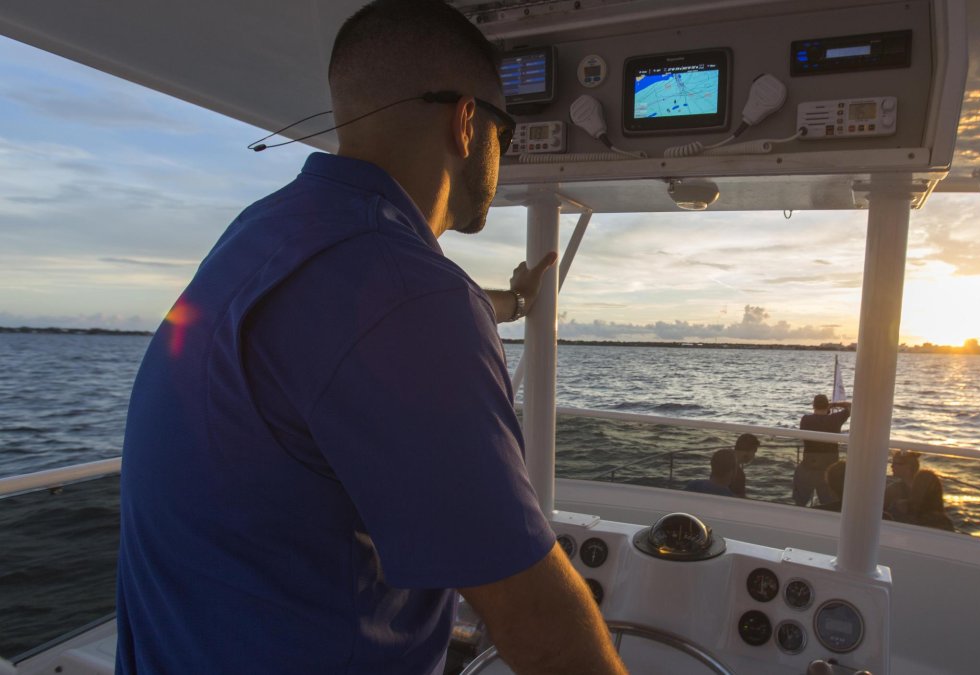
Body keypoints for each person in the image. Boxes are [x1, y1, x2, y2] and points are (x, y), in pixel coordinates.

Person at [115, 2, 626, 674]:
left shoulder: (266, 233)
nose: (507, 151)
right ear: (467, 122)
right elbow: (537, 623)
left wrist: (512, 300)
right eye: (507, 129)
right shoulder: (409, 294)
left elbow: (362, 322)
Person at [793, 394, 852, 506]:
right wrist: (835, 404)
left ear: (813, 405)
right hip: (829, 471)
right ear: (827, 405)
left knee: (799, 503)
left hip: (808, 467)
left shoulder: (805, 420)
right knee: (831, 503)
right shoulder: (835, 419)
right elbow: (852, 406)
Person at [884, 450, 921, 518]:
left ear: (908, 467)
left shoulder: (892, 490)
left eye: (895, 463)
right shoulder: (924, 489)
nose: (892, 466)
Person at [729, 432, 760, 498]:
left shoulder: (722, 458)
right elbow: (740, 500)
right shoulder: (738, 474)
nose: (754, 456)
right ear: (747, 452)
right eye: (754, 451)